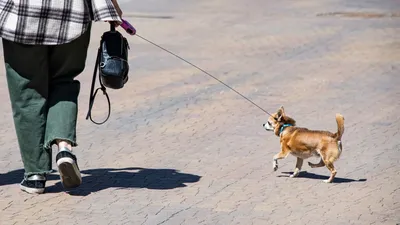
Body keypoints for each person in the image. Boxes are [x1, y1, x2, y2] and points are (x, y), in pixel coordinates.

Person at [0, 0, 123, 194]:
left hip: (22, 15)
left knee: (26, 92)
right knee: (64, 81)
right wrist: (111, 6)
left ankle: (35, 176)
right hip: (72, 15)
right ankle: (64, 148)